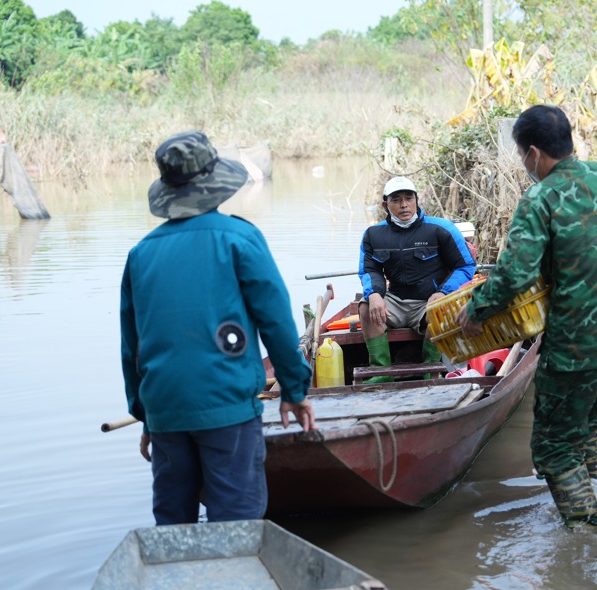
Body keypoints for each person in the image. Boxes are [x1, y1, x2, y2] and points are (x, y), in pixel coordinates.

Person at [457, 105, 597, 529]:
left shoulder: (541, 198)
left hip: (579, 342)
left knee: (553, 446)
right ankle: (593, 493)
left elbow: (515, 274)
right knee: (583, 420)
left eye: (520, 156)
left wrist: (476, 311)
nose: (524, 165)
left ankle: (589, 536)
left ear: (533, 153)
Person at [120, 130, 314, 526]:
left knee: (174, 526)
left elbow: (132, 348)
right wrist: (294, 390)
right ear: (214, 185)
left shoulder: (140, 255)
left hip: (165, 411)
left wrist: (145, 416)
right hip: (226, 408)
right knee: (236, 523)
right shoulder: (239, 239)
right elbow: (276, 322)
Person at [358, 176, 476, 381]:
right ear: (385, 205)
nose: (404, 205)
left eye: (408, 198)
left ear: (416, 199)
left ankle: (431, 371)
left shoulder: (441, 229)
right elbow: (369, 270)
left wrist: (443, 292)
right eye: (396, 200)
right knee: (366, 306)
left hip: (428, 301)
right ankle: (381, 374)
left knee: (442, 309)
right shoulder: (373, 235)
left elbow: (465, 266)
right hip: (395, 302)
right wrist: (374, 294)